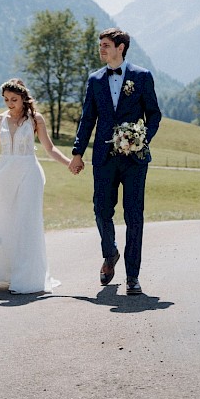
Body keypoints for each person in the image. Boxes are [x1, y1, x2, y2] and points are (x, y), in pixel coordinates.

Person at [68, 28, 162, 295]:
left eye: (106, 45)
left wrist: (141, 138)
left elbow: (154, 115)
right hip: (104, 158)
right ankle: (110, 254)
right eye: (100, 45)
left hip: (135, 160)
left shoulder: (142, 77)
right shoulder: (95, 80)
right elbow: (88, 119)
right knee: (101, 209)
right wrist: (77, 153)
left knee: (134, 216)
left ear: (121, 47)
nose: (101, 49)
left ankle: (133, 276)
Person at [0, 79, 71, 294]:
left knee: (27, 223)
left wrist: (69, 163)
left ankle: (28, 279)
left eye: (14, 99)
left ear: (23, 99)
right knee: (7, 222)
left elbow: (49, 148)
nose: (10, 103)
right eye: (6, 100)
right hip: (5, 174)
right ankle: (9, 273)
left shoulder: (35, 120)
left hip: (30, 173)